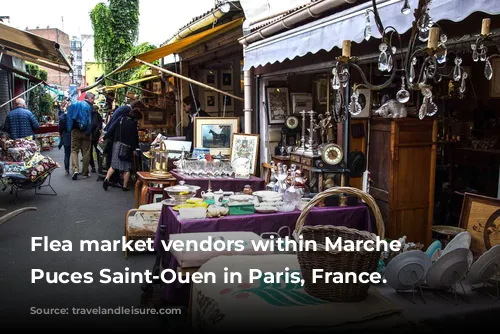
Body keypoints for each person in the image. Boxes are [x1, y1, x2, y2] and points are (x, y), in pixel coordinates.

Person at [102, 108, 142, 191]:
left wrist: (104, 137)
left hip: (117, 144)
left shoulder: (121, 119)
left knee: (113, 165)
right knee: (127, 168)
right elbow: (134, 138)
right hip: (127, 147)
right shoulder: (133, 124)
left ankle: (106, 179)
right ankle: (124, 186)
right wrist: (136, 148)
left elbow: (111, 129)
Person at [66, 92, 94, 180]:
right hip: (86, 131)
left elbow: (69, 117)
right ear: (89, 98)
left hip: (75, 130)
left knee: (74, 150)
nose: (94, 101)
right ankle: (85, 173)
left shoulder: (74, 104)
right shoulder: (89, 107)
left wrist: (69, 129)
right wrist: (88, 131)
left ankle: (75, 170)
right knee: (86, 152)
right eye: (93, 98)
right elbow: (90, 121)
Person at [89, 105, 103, 173]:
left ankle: (93, 167)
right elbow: (100, 124)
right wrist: (98, 129)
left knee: (90, 152)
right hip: (96, 135)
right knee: (98, 151)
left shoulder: (89, 114)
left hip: (90, 135)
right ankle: (99, 166)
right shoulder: (97, 115)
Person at [58, 108, 72, 175]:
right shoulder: (73, 116)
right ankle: (75, 169)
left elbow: (60, 128)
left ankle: (67, 169)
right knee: (75, 153)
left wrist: (61, 134)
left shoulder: (62, 117)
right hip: (73, 135)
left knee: (67, 154)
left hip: (65, 136)